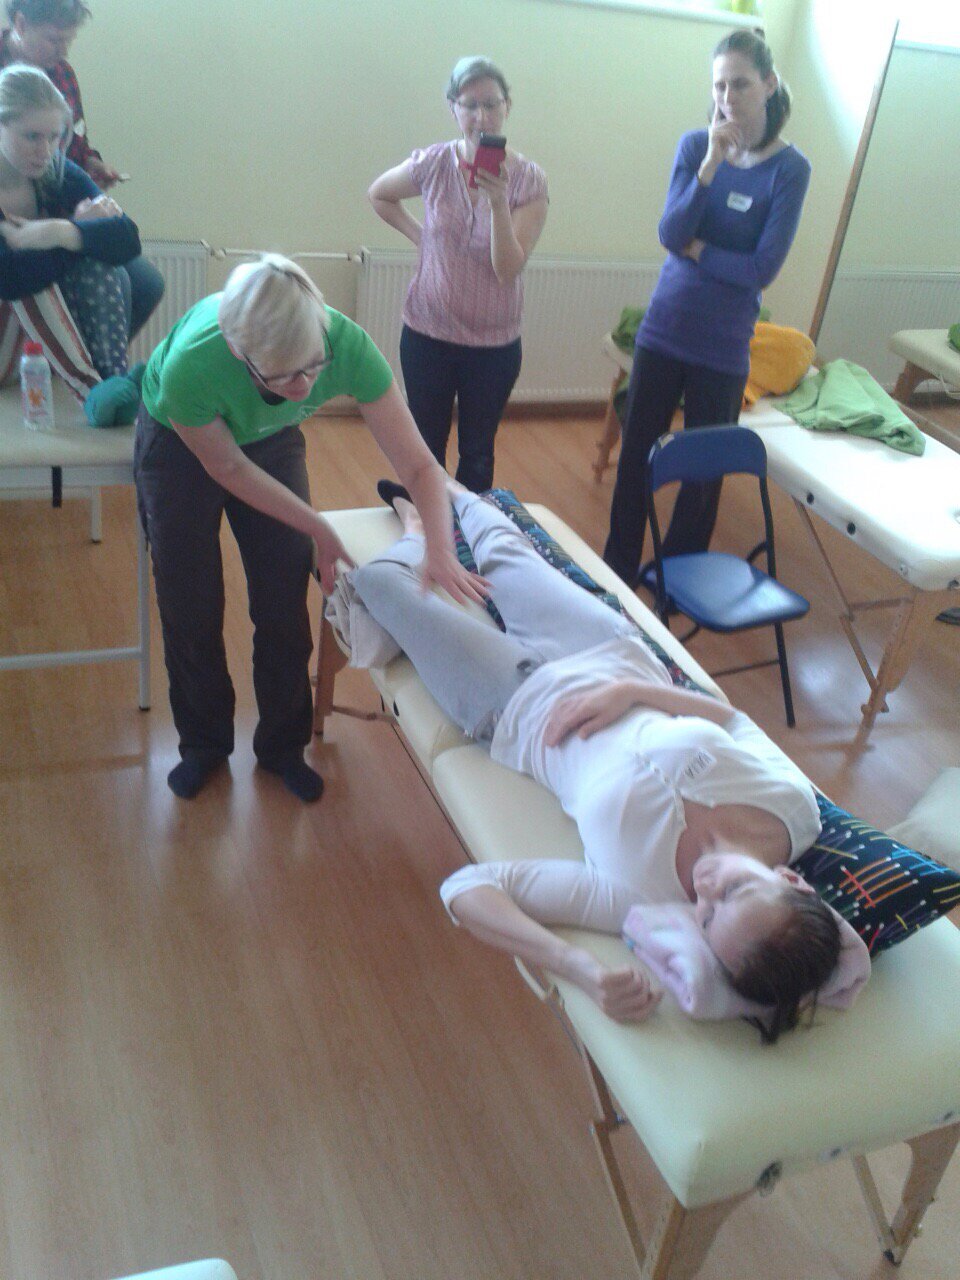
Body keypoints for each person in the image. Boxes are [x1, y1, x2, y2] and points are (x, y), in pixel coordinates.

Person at [353, 484, 841, 1042]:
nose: (704, 889)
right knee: (505, 548)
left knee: (378, 583)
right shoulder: (795, 809)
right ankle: (446, 487)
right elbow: (731, 720)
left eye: (706, 918)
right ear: (791, 881)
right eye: (732, 891)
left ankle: (416, 531)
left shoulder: (638, 894)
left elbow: (468, 889)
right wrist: (632, 692)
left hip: (513, 707)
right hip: (609, 655)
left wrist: (578, 968)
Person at [135, 254, 486, 804]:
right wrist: (318, 525)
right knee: (189, 601)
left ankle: (282, 747)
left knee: (283, 599)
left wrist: (440, 548)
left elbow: (420, 466)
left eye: (312, 368)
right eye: (283, 376)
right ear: (239, 353)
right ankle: (203, 745)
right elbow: (228, 468)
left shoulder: (345, 345)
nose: (303, 386)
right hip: (181, 445)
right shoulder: (191, 366)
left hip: (269, 437)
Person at [604, 29, 810, 586]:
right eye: (719, 86)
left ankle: (676, 588)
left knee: (701, 481)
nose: (727, 97)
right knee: (635, 462)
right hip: (664, 331)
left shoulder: (791, 170)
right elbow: (671, 233)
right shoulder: (696, 146)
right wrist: (711, 166)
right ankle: (615, 577)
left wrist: (700, 251)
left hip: (722, 349)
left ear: (769, 84)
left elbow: (761, 270)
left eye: (740, 84)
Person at [368, 55, 548, 492]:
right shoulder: (433, 163)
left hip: (492, 347)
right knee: (425, 447)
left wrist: (498, 202)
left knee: (478, 454)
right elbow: (380, 194)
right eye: (470, 105)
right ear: (453, 108)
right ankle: (428, 526)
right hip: (427, 334)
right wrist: (422, 237)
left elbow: (507, 268)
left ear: (507, 106)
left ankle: (471, 529)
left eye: (491, 104)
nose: (481, 116)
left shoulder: (529, 181)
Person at [0, 0, 164, 339]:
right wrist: (76, 235)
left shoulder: (62, 73)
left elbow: (73, 141)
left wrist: (90, 163)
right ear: (20, 24)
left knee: (146, 284)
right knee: (106, 276)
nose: (63, 51)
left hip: (60, 205)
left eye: (68, 41)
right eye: (54, 40)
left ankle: (85, 358)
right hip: (19, 216)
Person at [0, 62, 143, 422]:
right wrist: (77, 234)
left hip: (32, 350)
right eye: (32, 136)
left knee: (100, 264)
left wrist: (59, 231)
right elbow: (11, 279)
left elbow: (128, 239)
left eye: (55, 136)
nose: (45, 150)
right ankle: (91, 389)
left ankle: (113, 383)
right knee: (31, 276)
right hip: (6, 343)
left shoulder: (57, 172)